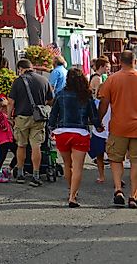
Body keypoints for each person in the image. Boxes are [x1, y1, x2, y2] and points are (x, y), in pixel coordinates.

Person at [48, 67, 103, 207]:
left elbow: (53, 115)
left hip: (63, 132)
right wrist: (98, 126)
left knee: (67, 164)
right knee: (78, 166)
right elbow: (93, 115)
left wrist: (51, 128)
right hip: (80, 133)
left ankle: (70, 189)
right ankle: (73, 196)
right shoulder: (86, 95)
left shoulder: (60, 94)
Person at [97, 49, 137, 208]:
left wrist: (98, 121)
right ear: (134, 61)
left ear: (120, 61)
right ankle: (133, 195)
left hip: (118, 127)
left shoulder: (112, 80)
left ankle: (118, 189)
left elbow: (104, 105)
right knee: (136, 162)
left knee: (115, 159)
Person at [8, 58, 54, 187]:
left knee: (21, 146)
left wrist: (9, 116)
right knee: (36, 146)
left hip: (21, 117)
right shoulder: (44, 80)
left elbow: (11, 101)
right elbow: (51, 100)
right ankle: (36, 174)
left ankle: (21, 173)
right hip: (38, 118)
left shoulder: (18, 81)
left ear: (20, 69)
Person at [0, 96, 17, 183]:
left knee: (17, 153)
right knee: (3, 155)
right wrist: (3, 126)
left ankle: (8, 169)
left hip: (8, 138)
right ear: (2, 108)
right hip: (3, 139)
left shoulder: (4, 115)